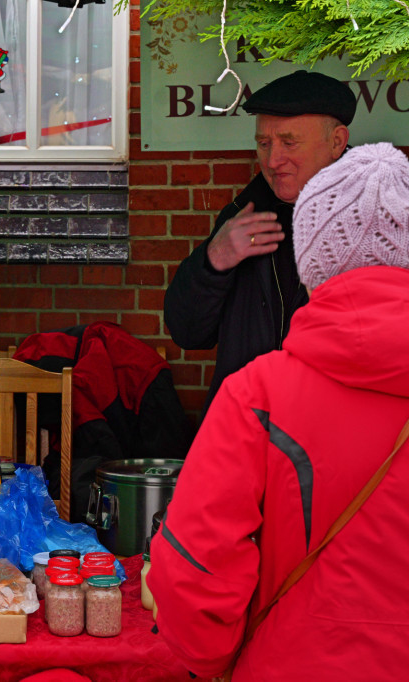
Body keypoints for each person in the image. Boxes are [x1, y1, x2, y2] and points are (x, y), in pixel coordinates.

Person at [148, 143, 409, 680]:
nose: (273, 155)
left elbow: (196, 567)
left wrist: (215, 659)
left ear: (311, 257)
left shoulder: (260, 394)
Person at [163, 71, 356, 413]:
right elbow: (188, 333)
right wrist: (213, 261)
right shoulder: (243, 216)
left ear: (337, 142)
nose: (272, 160)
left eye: (289, 142)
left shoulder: (383, 223)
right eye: (264, 144)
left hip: (337, 442)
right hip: (244, 436)